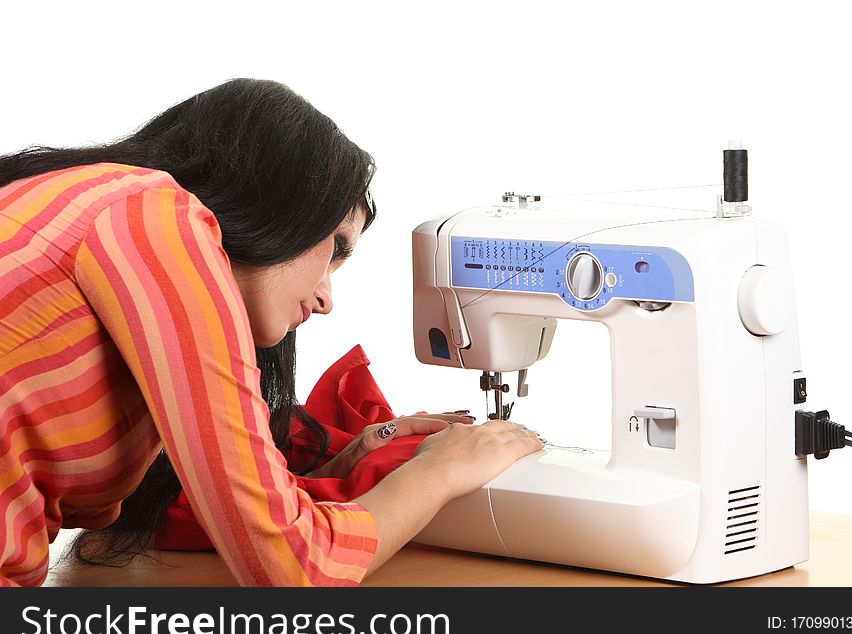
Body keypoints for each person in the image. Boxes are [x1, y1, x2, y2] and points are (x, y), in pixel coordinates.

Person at [0, 78, 543, 587]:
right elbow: (294, 570)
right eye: (334, 247)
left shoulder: (85, 217)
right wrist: (444, 469)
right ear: (276, 202)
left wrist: (339, 466)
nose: (328, 298)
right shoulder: (149, 218)